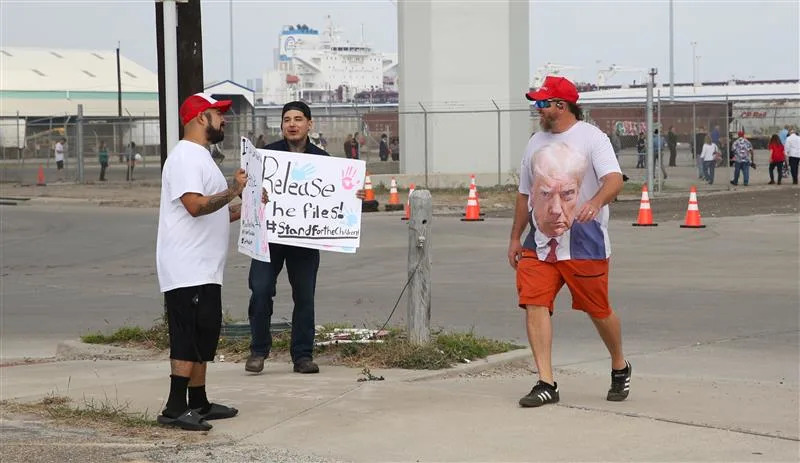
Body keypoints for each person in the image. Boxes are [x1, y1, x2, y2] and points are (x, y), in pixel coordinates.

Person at [509, 75, 629, 408]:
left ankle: (619, 363)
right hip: (539, 243)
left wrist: (595, 202)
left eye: (542, 103)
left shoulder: (592, 138)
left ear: (560, 106)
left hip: (584, 243)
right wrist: (515, 237)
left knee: (598, 309)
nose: (537, 109)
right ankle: (546, 382)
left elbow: (614, 180)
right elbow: (523, 194)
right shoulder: (535, 142)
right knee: (534, 302)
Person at [245, 101, 365, 375]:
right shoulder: (265, 155)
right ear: (282, 125)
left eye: (298, 118)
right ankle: (258, 350)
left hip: (304, 240)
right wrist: (254, 193)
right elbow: (248, 189)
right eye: (287, 119)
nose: (292, 124)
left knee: (305, 297)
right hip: (269, 237)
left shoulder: (323, 160)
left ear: (309, 124)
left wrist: (352, 196)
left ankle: (302, 355)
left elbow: (336, 192)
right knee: (261, 290)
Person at [156, 92, 247, 431]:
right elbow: (195, 206)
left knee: (204, 333)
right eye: (218, 114)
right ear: (199, 118)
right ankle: (174, 407)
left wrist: (245, 210)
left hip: (205, 267)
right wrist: (233, 190)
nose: (224, 119)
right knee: (186, 336)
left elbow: (214, 213)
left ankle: (199, 402)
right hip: (186, 266)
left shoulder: (203, 157)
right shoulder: (184, 158)